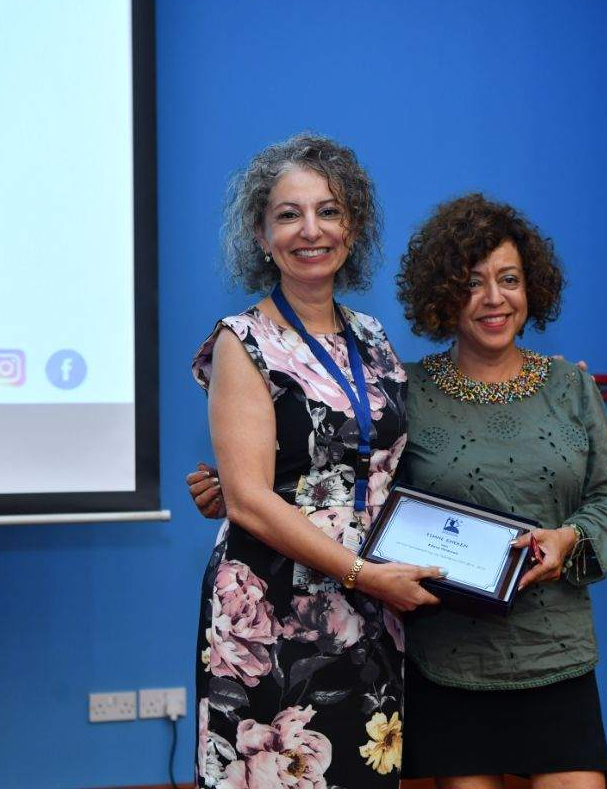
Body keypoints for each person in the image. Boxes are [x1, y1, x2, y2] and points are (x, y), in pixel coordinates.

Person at [189, 193, 607, 789]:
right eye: (471, 283)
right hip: (442, 652)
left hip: (552, 649)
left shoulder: (567, 386)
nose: (494, 298)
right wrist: (241, 487)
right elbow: (356, 466)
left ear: (533, 289)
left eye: (509, 280)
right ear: (443, 295)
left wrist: (569, 538)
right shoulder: (407, 389)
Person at [191, 133, 441, 789]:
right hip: (271, 610)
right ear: (261, 234)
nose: (311, 230)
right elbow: (250, 500)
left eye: (329, 211)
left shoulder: (372, 337)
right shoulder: (241, 341)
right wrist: (364, 574)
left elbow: (384, 463)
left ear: (352, 228)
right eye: (288, 214)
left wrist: (542, 391)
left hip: (372, 607)